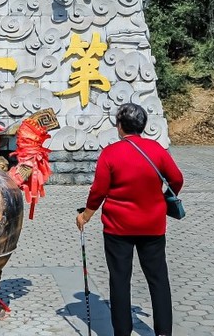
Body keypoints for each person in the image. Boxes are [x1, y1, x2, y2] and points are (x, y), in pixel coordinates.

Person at [76, 102, 183, 336]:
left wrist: (86, 215)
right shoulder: (156, 150)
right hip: (153, 226)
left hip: (118, 228)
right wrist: (163, 200)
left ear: (120, 125)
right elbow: (176, 179)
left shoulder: (111, 153)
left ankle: (122, 332)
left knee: (120, 280)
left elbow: (99, 190)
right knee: (158, 280)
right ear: (142, 126)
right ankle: (164, 332)